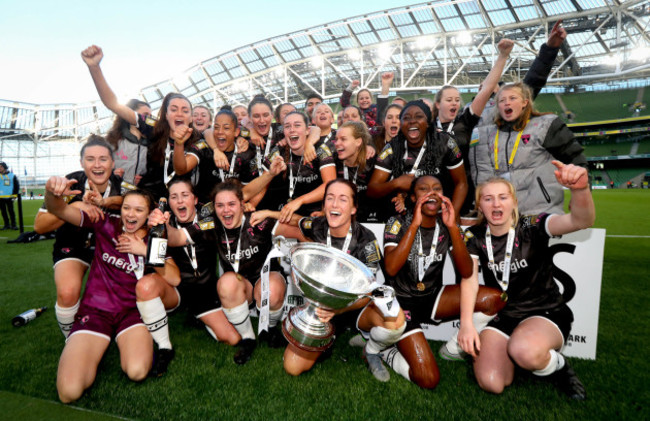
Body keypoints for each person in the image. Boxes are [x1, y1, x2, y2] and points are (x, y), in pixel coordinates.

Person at [458, 162, 594, 400]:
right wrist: (467, 324)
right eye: (488, 199)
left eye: (502, 197)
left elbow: (580, 221)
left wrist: (580, 190)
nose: (496, 204)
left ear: (514, 202)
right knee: (492, 383)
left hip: (545, 312)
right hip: (506, 316)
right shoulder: (476, 237)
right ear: (479, 205)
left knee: (524, 351)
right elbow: (469, 280)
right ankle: (519, 357)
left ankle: (559, 367)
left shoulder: (532, 226)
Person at [253, 179, 406, 381]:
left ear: (353, 208)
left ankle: (372, 349)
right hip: (320, 309)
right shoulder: (316, 225)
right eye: (330, 198)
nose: (334, 204)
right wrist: (268, 213)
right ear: (324, 205)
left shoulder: (366, 241)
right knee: (292, 367)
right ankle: (326, 338)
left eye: (342, 200)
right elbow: (295, 220)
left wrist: (339, 310)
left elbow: (369, 291)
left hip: (354, 309)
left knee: (397, 321)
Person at [376, 175, 505, 388]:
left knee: (494, 298)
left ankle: (453, 348)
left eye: (437, 188)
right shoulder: (397, 222)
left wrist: (453, 227)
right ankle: (386, 351)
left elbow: (466, 271)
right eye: (423, 189)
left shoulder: (445, 225)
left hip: (432, 298)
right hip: (401, 304)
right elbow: (390, 268)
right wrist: (415, 224)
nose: (431, 192)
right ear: (412, 197)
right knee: (428, 379)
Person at [154, 178, 289, 364]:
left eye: (232, 204)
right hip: (237, 285)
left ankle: (270, 329)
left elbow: (300, 229)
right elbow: (177, 238)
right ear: (213, 208)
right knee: (226, 283)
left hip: (265, 280)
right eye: (220, 205)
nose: (226, 210)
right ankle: (248, 339)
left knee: (271, 290)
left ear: (243, 204)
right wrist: (162, 225)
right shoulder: (211, 224)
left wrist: (271, 212)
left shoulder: (259, 220)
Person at [45, 178, 155, 403]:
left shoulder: (157, 238)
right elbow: (59, 209)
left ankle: (120, 340)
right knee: (69, 392)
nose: (131, 215)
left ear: (149, 214)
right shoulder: (105, 222)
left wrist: (145, 251)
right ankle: (90, 342)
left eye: (139, 210)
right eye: (126, 208)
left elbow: (171, 276)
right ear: (120, 209)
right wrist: (52, 194)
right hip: (95, 312)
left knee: (137, 371)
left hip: (132, 313)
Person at [133, 179, 240, 376]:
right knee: (147, 286)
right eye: (174, 197)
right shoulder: (162, 222)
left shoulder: (209, 217)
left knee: (233, 339)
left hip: (205, 292)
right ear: (169, 203)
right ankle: (165, 348)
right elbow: (154, 253)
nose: (180, 201)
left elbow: (177, 237)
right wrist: (153, 228)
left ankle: (198, 316)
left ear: (195, 199)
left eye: (185, 195)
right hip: (177, 289)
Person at [34, 136, 129, 338]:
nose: (97, 165)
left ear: (113, 163)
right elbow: (40, 227)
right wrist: (73, 206)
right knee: (67, 293)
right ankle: (71, 339)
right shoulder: (70, 185)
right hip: (73, 244)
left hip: (111, 249)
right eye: (90, 159)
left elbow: (140, 205)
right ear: (81, 163)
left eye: (103, 159)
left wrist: (104, 203)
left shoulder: (124, 187)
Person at [471, 82, 587, 215]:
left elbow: (576, 159)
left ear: (525, 102)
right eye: (502, 100)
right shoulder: (492, 133)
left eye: (512, 98)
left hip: (540, 212)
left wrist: (579, 195)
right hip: (506, 213)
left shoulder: (545, 125)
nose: (507, 103)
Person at [431, 39, 513, 220]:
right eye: (449, 99)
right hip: (433, 195)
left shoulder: (464, 122)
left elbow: (487, 89)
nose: (454, 103)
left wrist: (502, 56)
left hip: (463, 196)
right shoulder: (428, 128)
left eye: (456, 100)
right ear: (438, 104)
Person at [367, 100, 468, 219]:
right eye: (406, 118)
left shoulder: (445, 143)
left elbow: (461, 183)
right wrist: (396, 183)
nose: (412, 121)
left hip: (441, 215)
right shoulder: (392, 147)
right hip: (408, 217)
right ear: (401, 123)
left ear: (428, 122)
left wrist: (452, 214)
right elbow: (372, 190)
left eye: (419, 116)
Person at [81, 45, 154, 185]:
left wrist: (146, 180)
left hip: (139, 200)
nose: (149, 119)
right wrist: (111, 175)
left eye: (151, 115)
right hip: (112, 198)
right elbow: (112, 103)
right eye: (145, 115)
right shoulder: (111, 142)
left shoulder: (155, 143)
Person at [262, 111, 336, 220]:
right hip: (286, 212)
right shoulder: (278, 151)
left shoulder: (320, 149)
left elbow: (330, 185)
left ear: (307, 130)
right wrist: (251, 205)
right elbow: (262, 184)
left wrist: (300, 200)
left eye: (297, 125)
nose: (292, 129)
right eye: (287, 126)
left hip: (314, 213)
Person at [139, 92, 200, 201]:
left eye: (185, 111)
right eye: (173, 109)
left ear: (191, 118)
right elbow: (114, 106)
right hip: (148, 201)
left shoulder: (198, 141)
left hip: (179, 202)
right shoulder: (155, 132)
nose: (179, 114)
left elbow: (181, 170)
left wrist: (179, 143)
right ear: (166, 115)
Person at [332, 121, 380, 222]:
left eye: (343, 139)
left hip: (371, 220)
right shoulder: (332, 161)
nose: (337, 143)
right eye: (336, 139)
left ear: (358, 142)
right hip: (340, 218)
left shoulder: (373, 162)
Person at [0, 161, 19, 230]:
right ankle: (6, 225)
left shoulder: (12, 175)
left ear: (5, 167)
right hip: (0, 197)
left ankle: (13, 225)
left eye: (1, 166)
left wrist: (14, 195)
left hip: (9, 197)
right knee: (3, 211)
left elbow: (16, 186)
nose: (0, 168)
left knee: (11, 211)